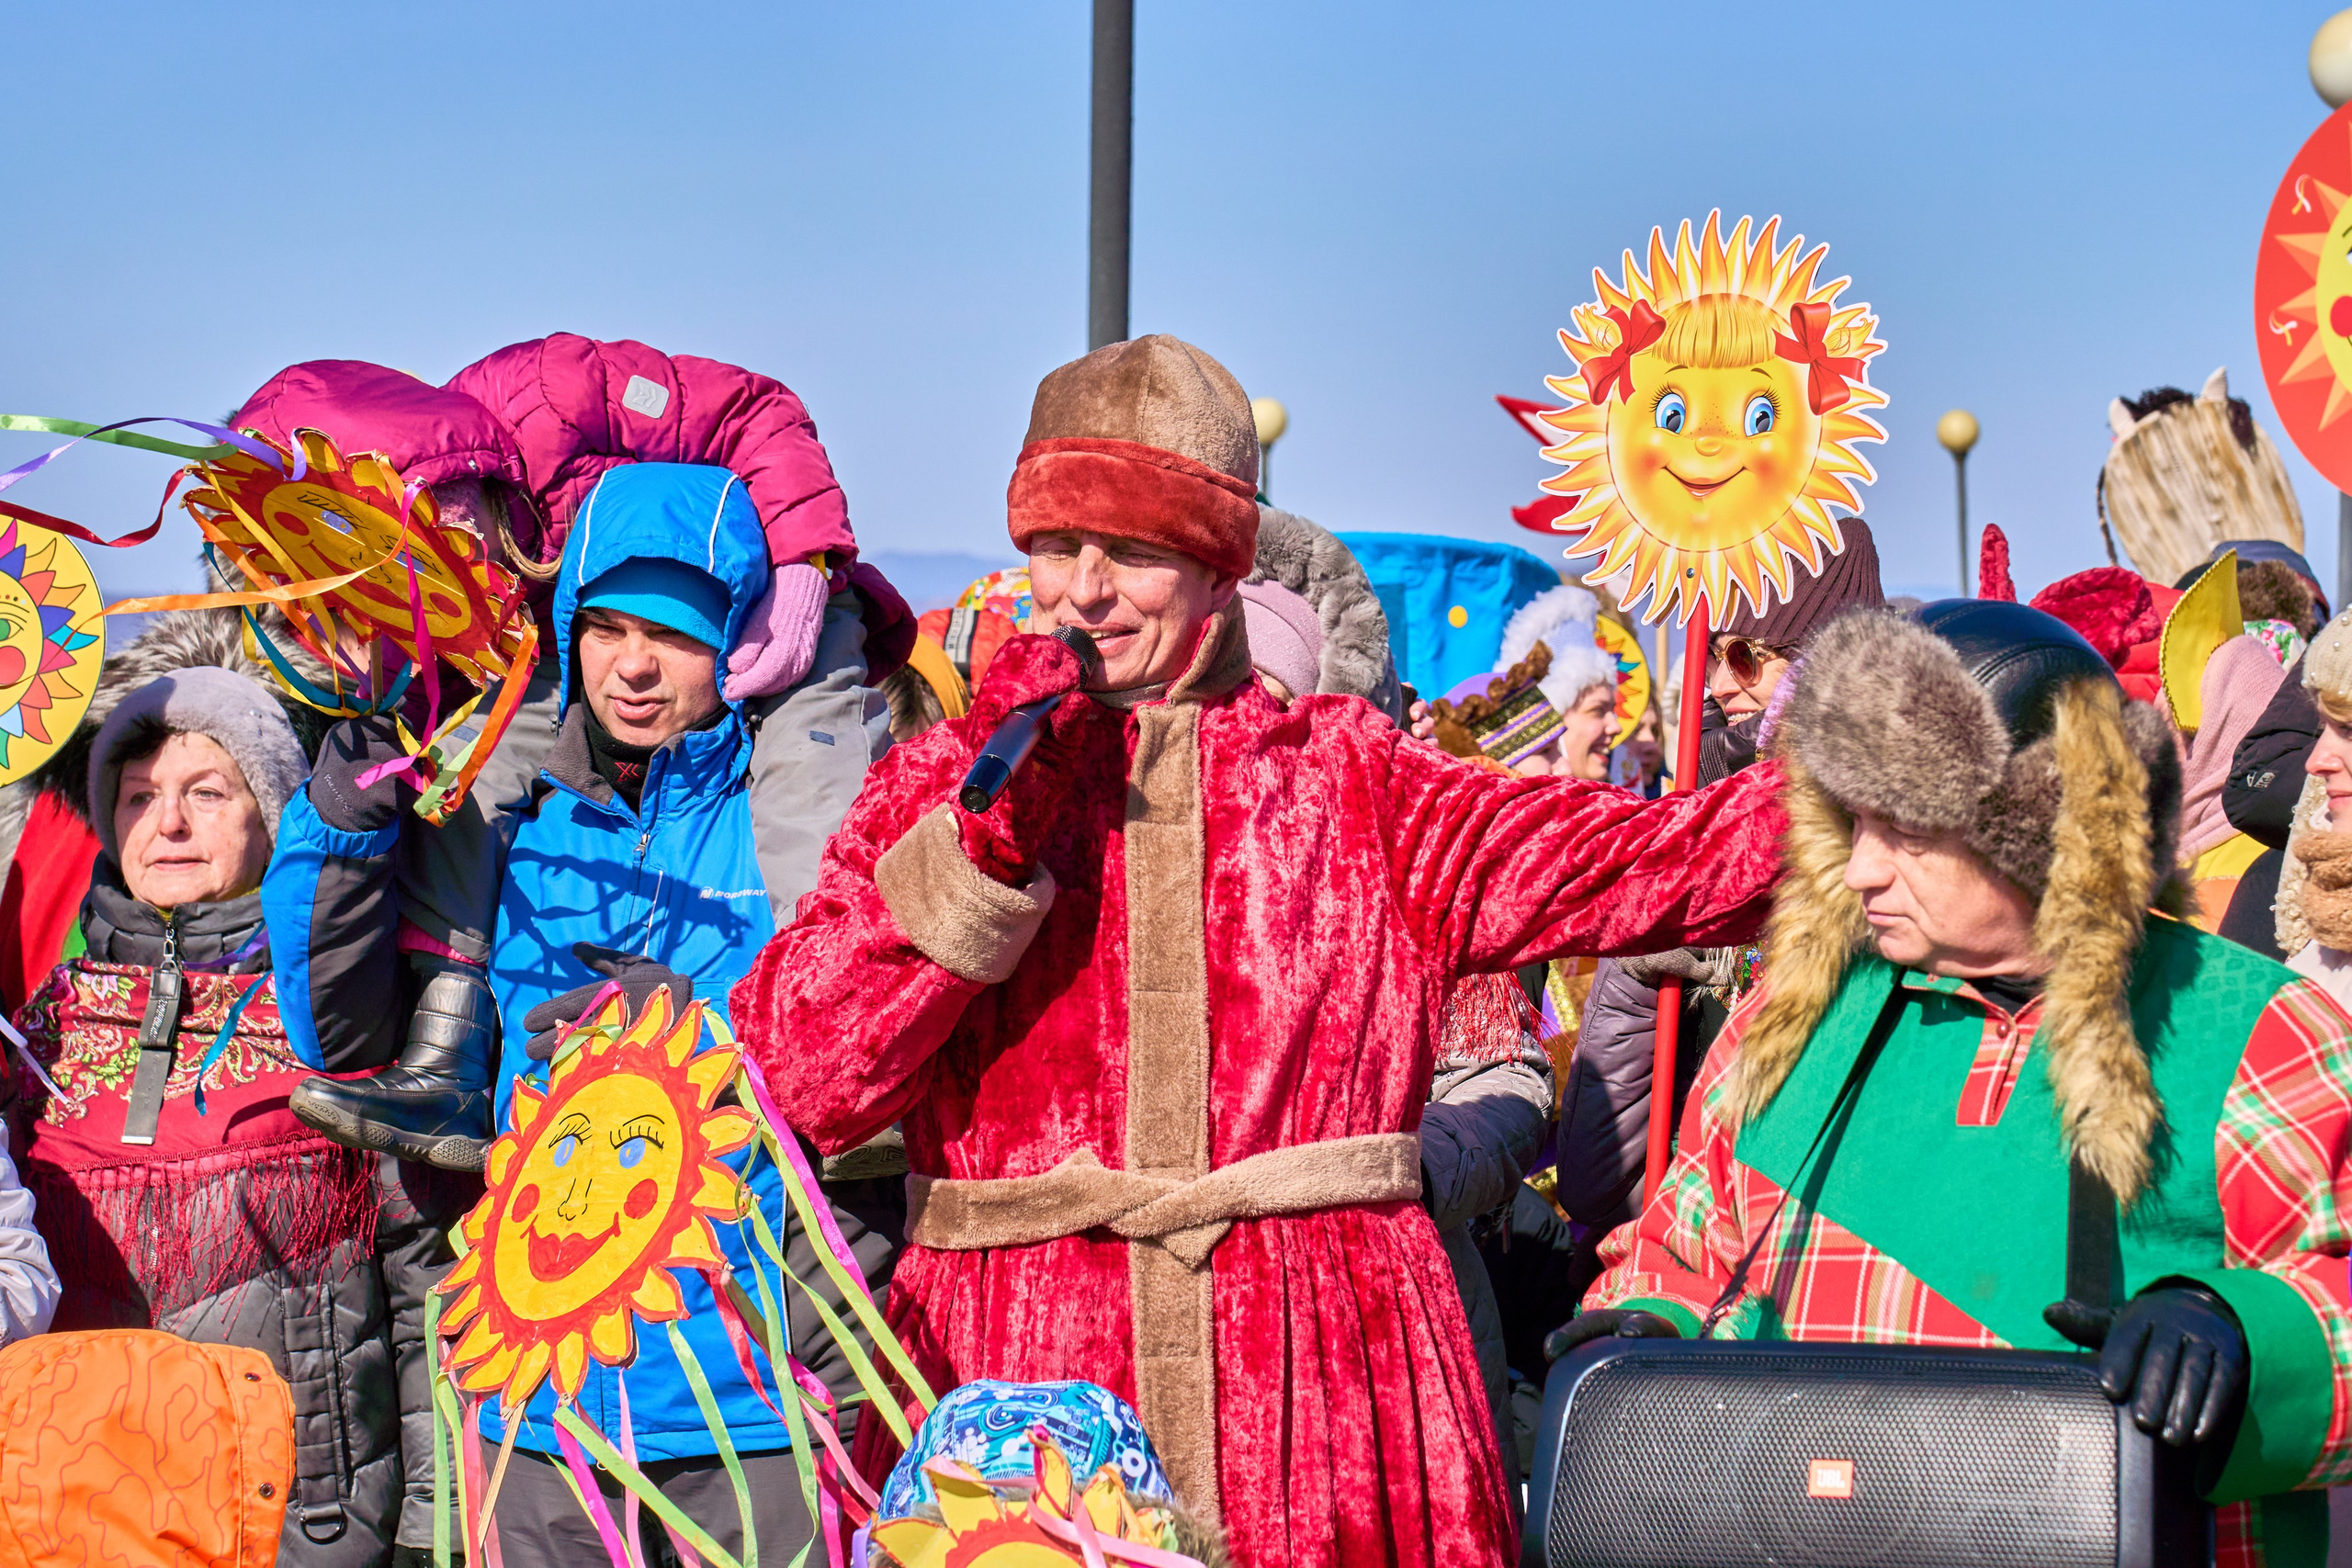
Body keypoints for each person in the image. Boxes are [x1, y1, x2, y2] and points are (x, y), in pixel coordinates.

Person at [730, 333, 1791, 1567]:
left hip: (1328, 1389)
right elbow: (808, 1070)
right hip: (1013, 1394)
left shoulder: (1356, 778)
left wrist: (1881, 783)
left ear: (1219, 564)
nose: (1082, 588)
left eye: (1129, 551)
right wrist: (981, 841)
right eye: (1054, 548)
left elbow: (1638, 858)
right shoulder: (945, 781)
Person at [1561, 600, 2352, 1566]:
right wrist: (1647, 1335)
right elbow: (1679, 1251)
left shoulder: (2256, 1030)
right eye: (1852, 822)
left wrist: (2247, 1333)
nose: (1858, 870)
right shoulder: (1795, 1016)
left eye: (1906, 833)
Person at [269, 462, 890, 1562]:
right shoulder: (503, 826)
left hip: (750, 1404)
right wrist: (346, 812)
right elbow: (340, 1036)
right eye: (604, 629)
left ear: (737, 646)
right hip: (538, 1413)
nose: (634, 667)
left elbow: (862, 1039)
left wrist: (698, 1028)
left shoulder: (786, 822)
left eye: (677, 636)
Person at [4, 668, 403, 1565]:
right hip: (66, 1512)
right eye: (140, 797)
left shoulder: (338, 1016)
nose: (169, 824)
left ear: (271, 809)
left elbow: (418, 1276)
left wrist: (423, 1511)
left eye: (206, 792)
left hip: (299, 1514)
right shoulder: (42, 1025)